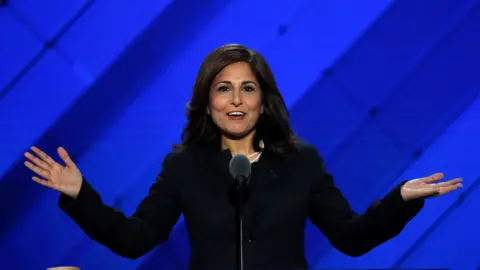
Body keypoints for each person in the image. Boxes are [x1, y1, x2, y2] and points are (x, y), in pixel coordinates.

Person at [24, 44, 463, 270]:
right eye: (223, 88)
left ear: (262, 99)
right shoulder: (184, 166)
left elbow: (351, 238)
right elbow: (135, 239)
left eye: (247, 88)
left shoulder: (300, 162)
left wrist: (401, 198)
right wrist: (80, 194)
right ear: (208, 100)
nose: (236, 100)